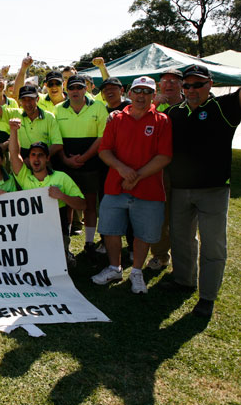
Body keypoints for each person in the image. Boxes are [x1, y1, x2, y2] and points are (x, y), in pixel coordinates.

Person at [163, 64, 241, 317]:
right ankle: (184, 280)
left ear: (210, 84)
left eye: (198, 85)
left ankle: (207, 297)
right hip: (180, 189)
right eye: (187, 85)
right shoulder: (174, 112)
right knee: (181, 239)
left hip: (214, 190)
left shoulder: (225, 107)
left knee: (213, 245)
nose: (192, 90)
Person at [91, 76, 172, 294]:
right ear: (130, 93)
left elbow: (164, 156)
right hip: (116, 186)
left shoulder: (162, 120)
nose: (141, 96)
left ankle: (136, 271)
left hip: (148, 189)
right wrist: (122, 170)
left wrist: (135, 175)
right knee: (110, 230)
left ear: (153, 96)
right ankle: (114, 267)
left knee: (143, 234)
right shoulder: (116, 119)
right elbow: (105, 150)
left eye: (147, 92)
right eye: (138, 91)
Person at [8, 120, 86, 266]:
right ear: (29, 158)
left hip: (56, 233)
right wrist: (13, 130)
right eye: (33, 155)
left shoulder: (61, 177)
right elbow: (14, 154)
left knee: (56, 266)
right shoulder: (25, 176)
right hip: (31, 233)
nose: (36, 159)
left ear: (47, 158)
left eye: (40, 155)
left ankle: (65, 253)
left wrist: (62, 196)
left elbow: (82, 205)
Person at [53, 74, 108, 259]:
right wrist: (66, 160)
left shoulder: (99, 107)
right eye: (71, 88)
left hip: (91, 165)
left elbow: (102, 138)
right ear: (66, 91)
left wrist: (84, 157)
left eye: (79, 88)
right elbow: (55, 139)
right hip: (66, 166)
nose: (75, 92)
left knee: (90, 204)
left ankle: (90, 243)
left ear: (86, 89)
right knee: (67, 205)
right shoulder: (58, 109)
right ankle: (65, 246)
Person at [146, 68, 185, 271]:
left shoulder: (191, 106)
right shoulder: (155, 107)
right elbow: (138, 121)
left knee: (185, 217)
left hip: (186, 170)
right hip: (160, 169)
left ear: (181, 85)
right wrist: (154, 105)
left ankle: (184, 259)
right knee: (160, 214)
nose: (169, 84)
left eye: (174, 81)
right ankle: (161, 255)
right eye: (165, 80)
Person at [2, 85, 63, 159]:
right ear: (20, 101)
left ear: (37, 99)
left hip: (42, 164)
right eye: (24, 100)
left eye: (30, 99)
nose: (27, 103)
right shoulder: (14, 114)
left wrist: (38, 158)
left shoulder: (49, 117)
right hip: (21, 161)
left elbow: (58, 144)